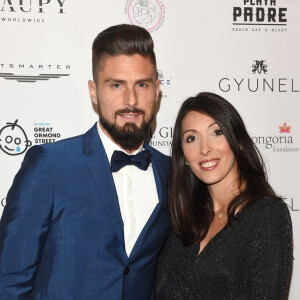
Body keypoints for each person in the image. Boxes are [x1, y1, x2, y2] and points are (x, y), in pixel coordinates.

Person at [0, 24, 170, 300]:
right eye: (116, 85)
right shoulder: (50, 166)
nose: (131, 101)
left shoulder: (171, 173)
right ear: (93, 91)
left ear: (157, 90)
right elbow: (10, 280)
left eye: (142, 84)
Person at [156, 92, 293, 299]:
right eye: (191, 138)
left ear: (238, 140)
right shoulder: (181, 217)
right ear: (183, 155)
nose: (205, 149)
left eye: (217, 132)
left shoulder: (267, 216)